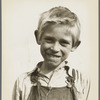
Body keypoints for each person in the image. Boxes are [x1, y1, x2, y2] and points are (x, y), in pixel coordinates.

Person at [12, 6, 90, 100]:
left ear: (74, 45)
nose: (55, 48)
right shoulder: (24, 82)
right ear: (38, 37)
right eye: (49, 40)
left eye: (63, 42)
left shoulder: (80, 81)